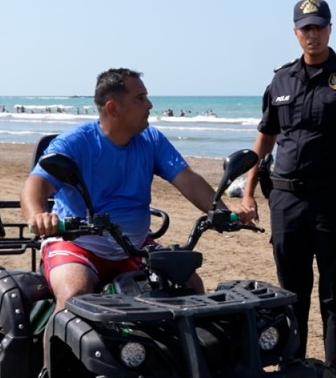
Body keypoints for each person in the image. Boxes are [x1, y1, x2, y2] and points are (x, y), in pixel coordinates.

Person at [22, 68, 244, 311]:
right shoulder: (75, 143)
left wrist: (222, 211)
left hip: (135, 246)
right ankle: (53, 349)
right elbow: (35, 185)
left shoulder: (151, 140)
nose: (149, 105)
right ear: (112, 108)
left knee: (190, 285)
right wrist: (38, 216)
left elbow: (188, 180)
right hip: (78, 245)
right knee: (74, 296)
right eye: (140, 99)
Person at [238, 0, 336, 378]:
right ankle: (291, 373)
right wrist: (248, 191)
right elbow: (264, 140)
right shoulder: (280, 80)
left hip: (334, 201)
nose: (312, 35)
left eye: (319, 27)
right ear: (296, 32)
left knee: (335, 296)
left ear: (330, 29)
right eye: (305, 28)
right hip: (286, 201)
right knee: (291, 293)